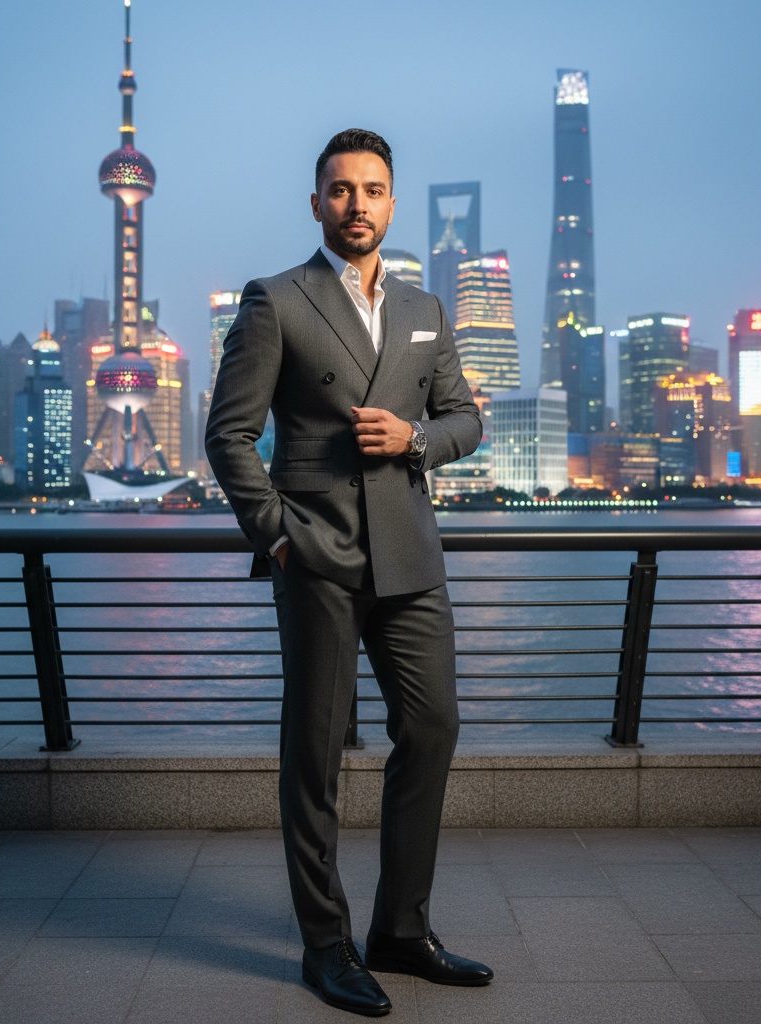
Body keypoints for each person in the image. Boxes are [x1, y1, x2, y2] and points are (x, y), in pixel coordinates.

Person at [205, 128, 492, 1016]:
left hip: (410, 553)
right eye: (339, 189)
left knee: (434, 728)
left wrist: (418, 439)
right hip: (317, 554)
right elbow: (228, 435)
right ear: (317, 202)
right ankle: (325, 946)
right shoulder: (276, 301)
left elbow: (466, 422)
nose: (356, 203)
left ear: (393, 203)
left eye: (372, 189)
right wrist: (276, 535)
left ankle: (400, 929)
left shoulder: (425, 309)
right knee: (315, 756)